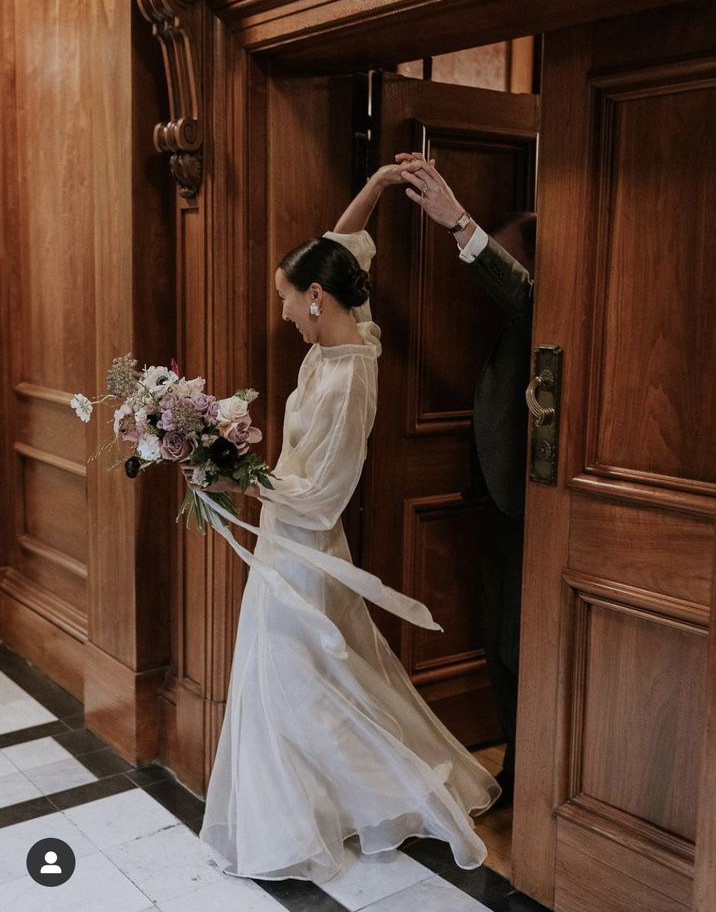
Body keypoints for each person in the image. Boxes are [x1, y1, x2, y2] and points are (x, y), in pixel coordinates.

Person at [180, 162, 501, 884]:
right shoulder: (338, 338)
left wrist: (235, 469)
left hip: (305, 545)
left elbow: (324, 494)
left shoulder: (355, 370)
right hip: (283, 538)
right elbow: (343, 238)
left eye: (290, 301)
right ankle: (298, 811)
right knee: (294, 679)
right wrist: (383, 183)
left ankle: (333, 811)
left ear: (318, 298)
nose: (285, 313)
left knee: (295, 682)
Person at [398, 152, 536, 807]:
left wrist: (459, 223)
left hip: (533, 507)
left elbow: (521, 290)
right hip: (496, 500)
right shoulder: (515, 325)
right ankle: (517, 769)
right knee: (497, 646)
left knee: (517, 646)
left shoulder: (541, 305)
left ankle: (534, 776)